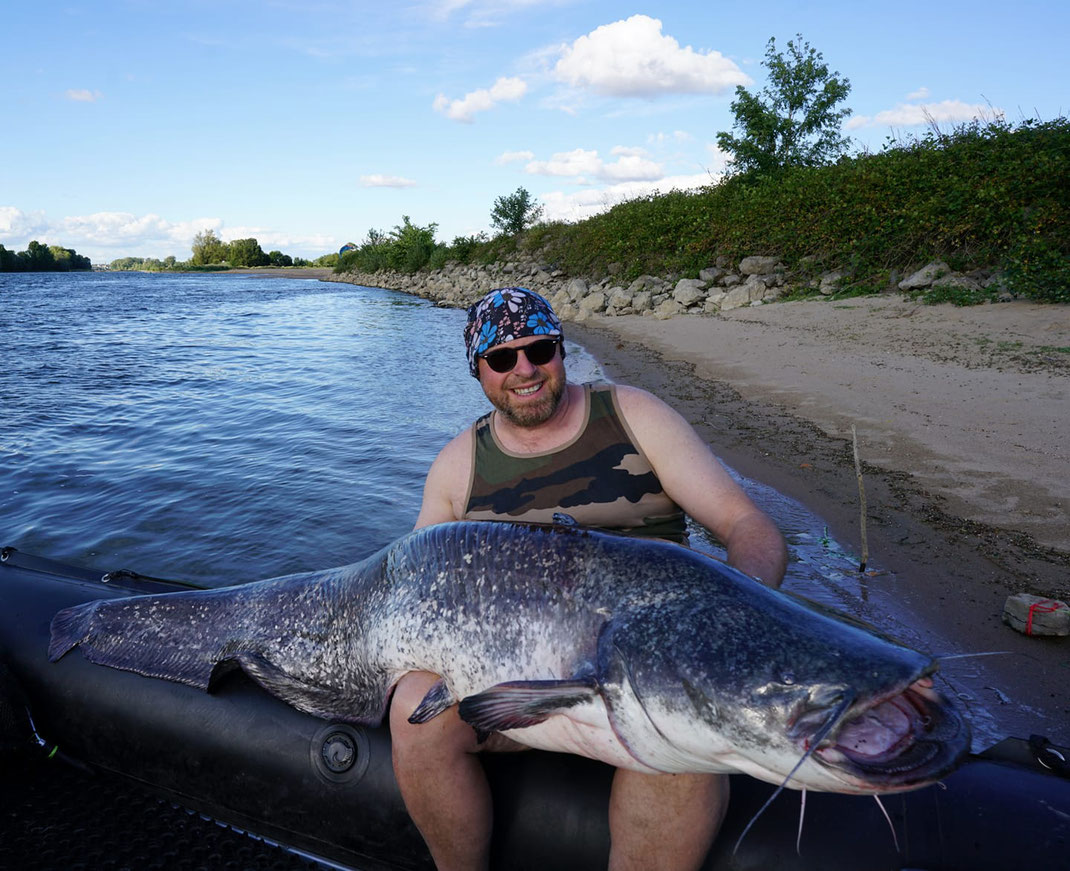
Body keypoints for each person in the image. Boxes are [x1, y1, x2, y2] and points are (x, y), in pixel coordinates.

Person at [391, 287, 789, 871]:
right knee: (412, 710)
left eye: (540, 350)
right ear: (478, 369)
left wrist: (734, 615)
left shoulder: (634, 416)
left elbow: (748, 524)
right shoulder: (458, 467)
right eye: (502, 359)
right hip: (515, 692)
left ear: (562, 350)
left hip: (651, 676)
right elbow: (413, 583)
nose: (524, 370)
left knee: (685, 749)